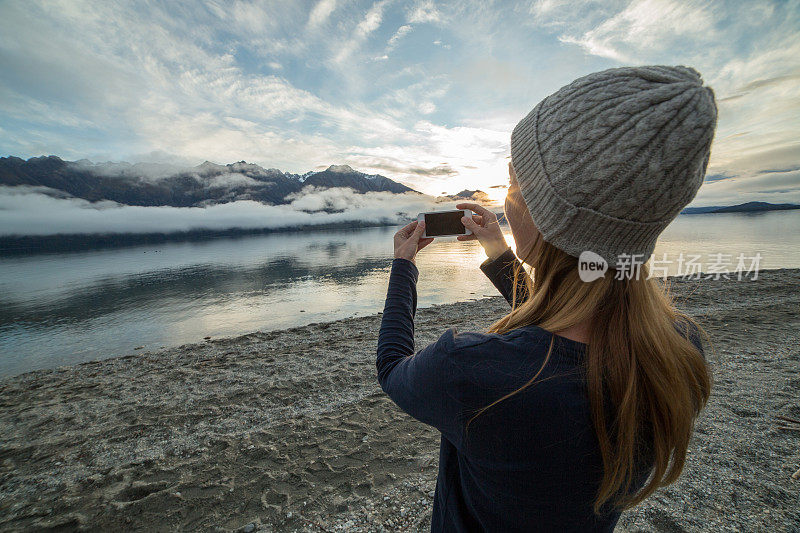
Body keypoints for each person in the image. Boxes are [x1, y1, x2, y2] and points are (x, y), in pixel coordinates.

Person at [376, 65, 717, 532]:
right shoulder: (678, 352)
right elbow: (565, 319)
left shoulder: (471, 371)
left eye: (514, 183)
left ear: (550, 216)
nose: (506, 199)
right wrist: (498, 248)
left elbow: (393, 369)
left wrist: (404, 266)